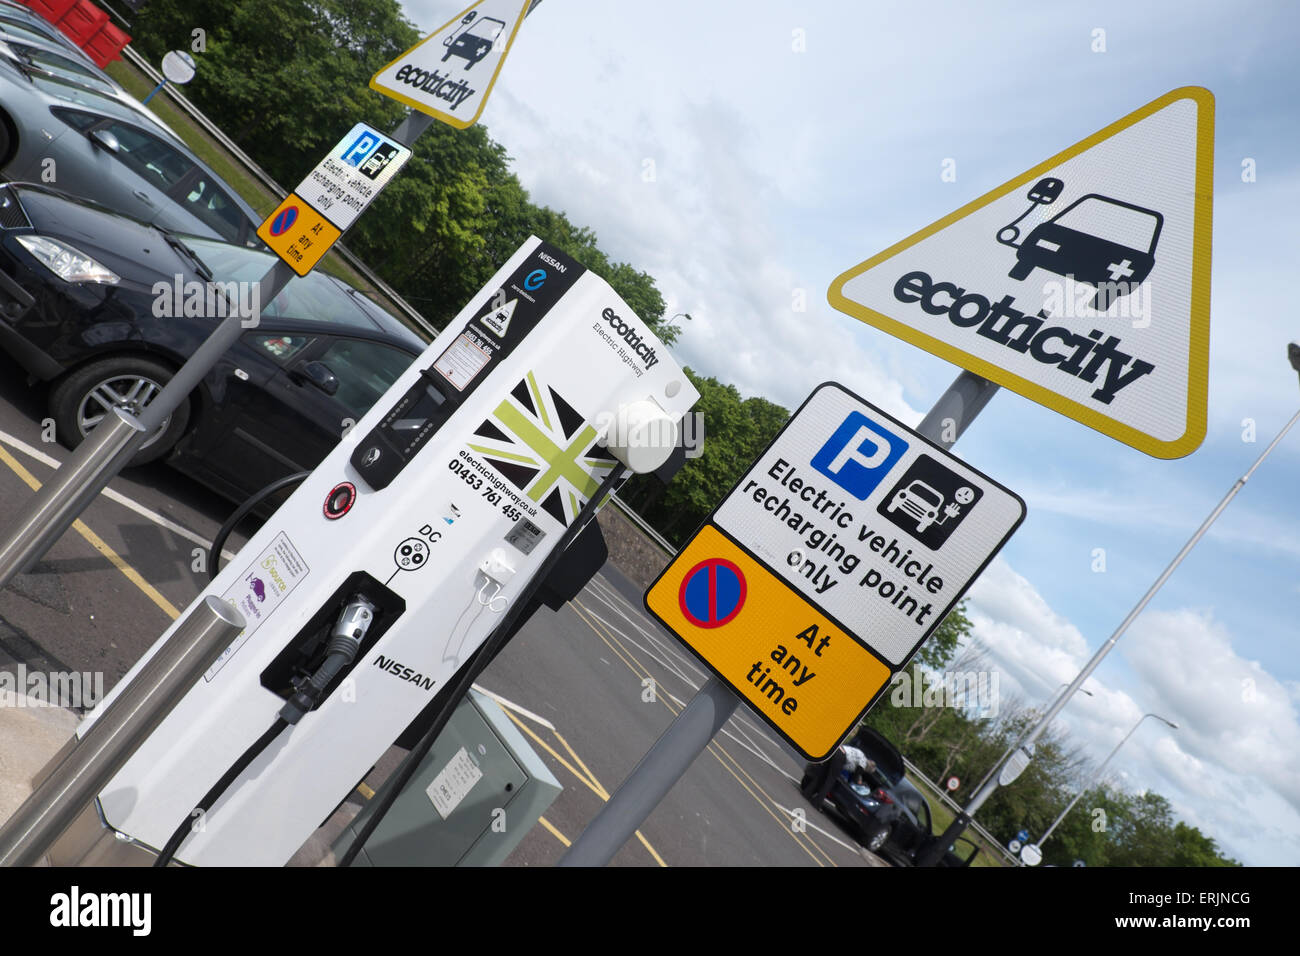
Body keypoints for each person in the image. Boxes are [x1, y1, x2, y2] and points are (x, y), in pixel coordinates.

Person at [801, 743, 875, 806]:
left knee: (822, 775)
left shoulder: (861, 755)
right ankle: (816, 803)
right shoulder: (863, 763)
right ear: (868, 768)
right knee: (830, 782)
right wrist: (860, 783)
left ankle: (807, 793)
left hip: (835, 750)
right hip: (841, 756)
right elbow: (856, 776)